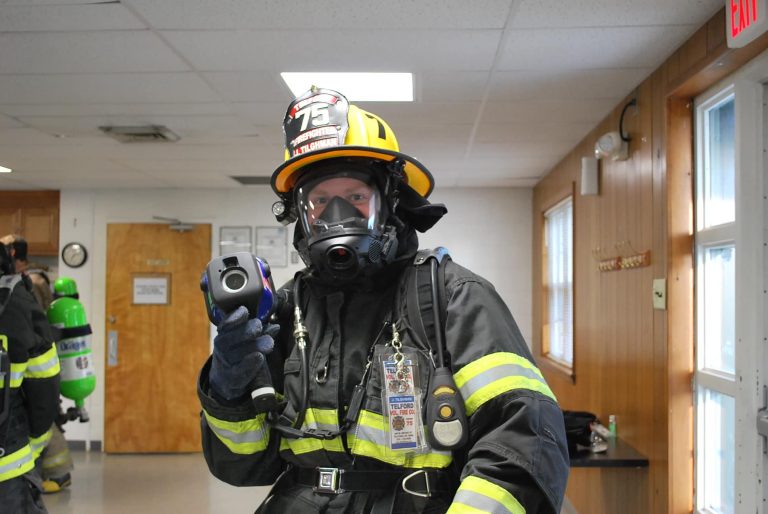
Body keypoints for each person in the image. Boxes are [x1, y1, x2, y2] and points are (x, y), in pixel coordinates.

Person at [197, 88, 570, 513]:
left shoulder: (452, 297)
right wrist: (228, 392)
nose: (337, 215)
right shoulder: (287, 309)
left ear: (391, 204)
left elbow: (523, 444)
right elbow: (244, 467)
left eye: (356, 197)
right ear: (300, 213)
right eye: (320, 201)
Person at [1, 235, 73, 493]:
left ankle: (56, 472)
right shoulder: (24, 284)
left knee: (45, 417)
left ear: (15, 256)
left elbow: (35, 325)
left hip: (33, 357)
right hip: (35, 359)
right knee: (44, 413)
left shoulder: (29, 284)